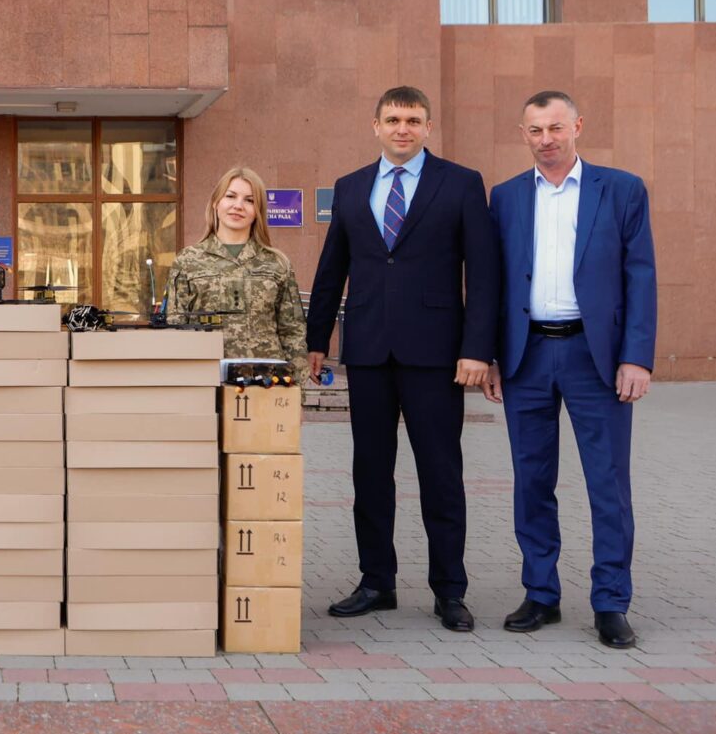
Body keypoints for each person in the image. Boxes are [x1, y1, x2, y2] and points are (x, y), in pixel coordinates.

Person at [306, 86, 499, 633]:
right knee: (370, 474)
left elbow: (482, 276)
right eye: (392, 119)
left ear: (428, 127)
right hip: (366, 351)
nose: (402, 128)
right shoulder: (349, 188)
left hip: (438, 355)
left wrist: (476, 350)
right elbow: (330, 270)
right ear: (375, 126)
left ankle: (449, 591)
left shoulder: (460, 184)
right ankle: (376, 582)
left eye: (413, 119)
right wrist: (316, 339)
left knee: (441, 475)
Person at [483, 91, 655, 650]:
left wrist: (636, 356)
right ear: (523, 133)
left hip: (595, 358)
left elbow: (640, 276)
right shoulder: (505, 197)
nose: (546, 140)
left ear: (577, 126)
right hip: (527, 356)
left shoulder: (621, 189)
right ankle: (541, 594)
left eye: (556, 127)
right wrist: (488, 352)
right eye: (535, 131)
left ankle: (610, 601)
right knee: (532, 482)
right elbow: (492, 283)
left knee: (608, 483)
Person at [166, 166, 310, 384]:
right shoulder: (188, 261)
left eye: (249, 200)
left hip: (267, 384)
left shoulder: (276, 263)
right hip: (207, 382)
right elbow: (175, 328)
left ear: (258, 211)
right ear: (216, 203)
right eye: (230, 196)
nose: (238, 206)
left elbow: (293, 333)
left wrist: (296, 392)